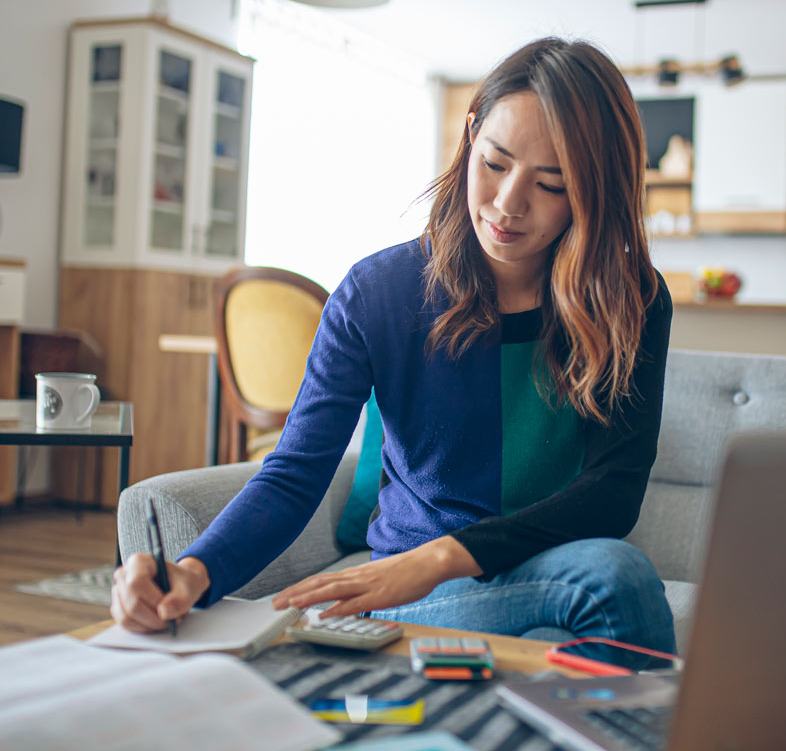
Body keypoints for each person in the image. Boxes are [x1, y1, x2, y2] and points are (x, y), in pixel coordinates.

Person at [111, 37, 675, 668]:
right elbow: (296, 471)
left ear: (596, 192)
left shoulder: (632, 301)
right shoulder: (379, 292)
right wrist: (194, 571)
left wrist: (439, 557)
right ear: (469, 135)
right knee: (612, 581)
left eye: (551, 184)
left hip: (526, 565)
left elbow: (614, 491)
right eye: (494, 164)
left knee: (611, 575)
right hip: (420, 594)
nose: (508, 205)